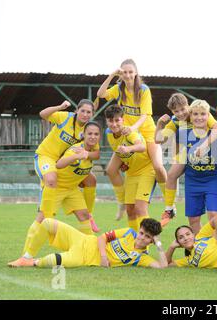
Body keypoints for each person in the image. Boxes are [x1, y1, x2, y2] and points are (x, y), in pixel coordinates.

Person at [155, 93, 217, 227]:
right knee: (171, 174)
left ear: (188, 106)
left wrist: (204, 146)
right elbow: (159, 139)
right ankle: (169, 208)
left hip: (215, 149)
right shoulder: (175, 121)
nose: (180, 113)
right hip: (190, 150)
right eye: (176, 111)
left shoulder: (199, 111)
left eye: (182, 109)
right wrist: (160, 124)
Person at [97, 59, 167, 219]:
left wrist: (133, 128)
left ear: (136, 73)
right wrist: (112, 75)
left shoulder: (143, 90)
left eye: (130, 72)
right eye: (124, 72)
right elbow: (100, 94)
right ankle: (121, 202)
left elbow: (145, 115)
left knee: (157, 166)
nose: (128, 75)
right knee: (110, 170)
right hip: (127, 133)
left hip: (146, 132)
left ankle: (169, 202)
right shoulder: (119, 88)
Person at [21, 121, 102, 261]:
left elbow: (96, 155)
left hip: (72, 189)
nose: (93, 137)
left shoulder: (94, 148)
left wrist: (87, 155)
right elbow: (59, 164)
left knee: (84, 216)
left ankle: (92, 252)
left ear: (99, 136)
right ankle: (25, 256)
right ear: (83, 135)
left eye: (96, 134)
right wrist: (76, 156)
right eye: (90, 134)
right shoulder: (75, 149)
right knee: (42, 219)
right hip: (57, 187)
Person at [34, 99, 101, 232]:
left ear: (92, 114)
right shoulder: (65, 117)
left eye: (89, 112)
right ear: (77, 110)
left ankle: (89, 214)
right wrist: (60, 106)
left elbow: (96, 153)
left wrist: (85, 154)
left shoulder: (89, 130)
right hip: (46, 156)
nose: (85, 114)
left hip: (64, 163)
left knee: (91, 180)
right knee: (51, 180)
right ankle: (45, 212)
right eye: (83, 111)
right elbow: (43, 114)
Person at [175, 99, 217, 233]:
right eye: (195, 114)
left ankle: (216, 246)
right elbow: (178, 153)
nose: (199, 117)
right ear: (190, 116)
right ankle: (202, 248)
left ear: (208, 116)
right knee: (193, 219)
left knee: (214, 215)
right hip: (193, 179)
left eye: (203, 114)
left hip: (214, 178)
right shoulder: (182, 133)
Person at [8, 218, 167, 269]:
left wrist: (159, 244)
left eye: (147, 237)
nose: (141, 238)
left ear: (151, 240)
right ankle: (25, 256)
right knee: (48, 223)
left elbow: (163, 266)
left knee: (53, 261)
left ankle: (29, 263)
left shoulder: (141, 258)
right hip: (83, 239)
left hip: (84, 258)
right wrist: (104, 257)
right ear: (138, 230)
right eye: (141, 233)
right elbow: (101, 238)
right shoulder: (128, 232)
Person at [104, 105, 156, 232]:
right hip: (131, 174)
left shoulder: (129, 132)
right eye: (111, 121)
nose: (114, 124)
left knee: (140, 209)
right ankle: (135, 241)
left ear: (123, 119)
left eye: (117, 120)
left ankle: (146, 245)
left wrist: (128, 149)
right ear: (106, 121)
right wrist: (125, 161)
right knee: (130, 210)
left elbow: (141, 147)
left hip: (146, 171)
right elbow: (120, 152)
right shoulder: (108, 134)